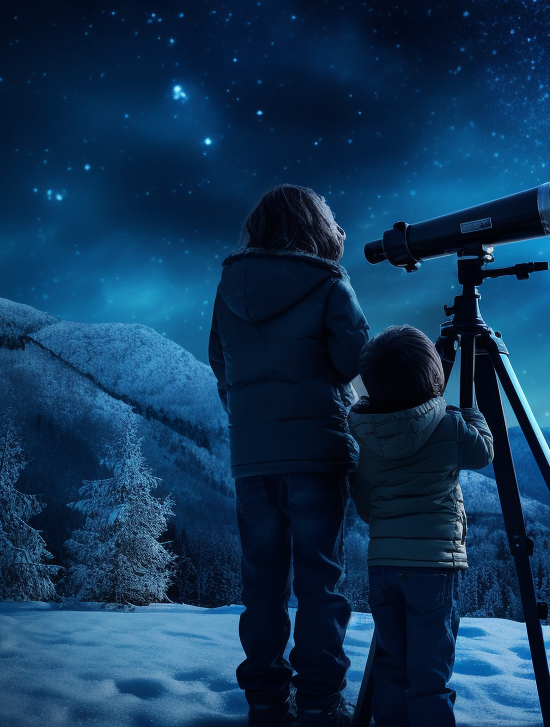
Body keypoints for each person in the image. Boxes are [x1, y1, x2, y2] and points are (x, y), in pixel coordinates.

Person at [208, 185, 370, 727]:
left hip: (251, 460)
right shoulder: (328, 284)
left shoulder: (228, 286)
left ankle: (265, 701)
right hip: (317, 455)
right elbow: (352, 362)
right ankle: (321, 702)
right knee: (320, 585)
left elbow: (221, 365)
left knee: (262, 585)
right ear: (316, 227)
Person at [349, 325, 494, 727]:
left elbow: (364, 502)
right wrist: (471, 413)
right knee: (429, 672)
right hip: (433, 567)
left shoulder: (367, 435)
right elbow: (483, 453)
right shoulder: (449, 425)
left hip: (382, 565)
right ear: (435, 377)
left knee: (392, 663)